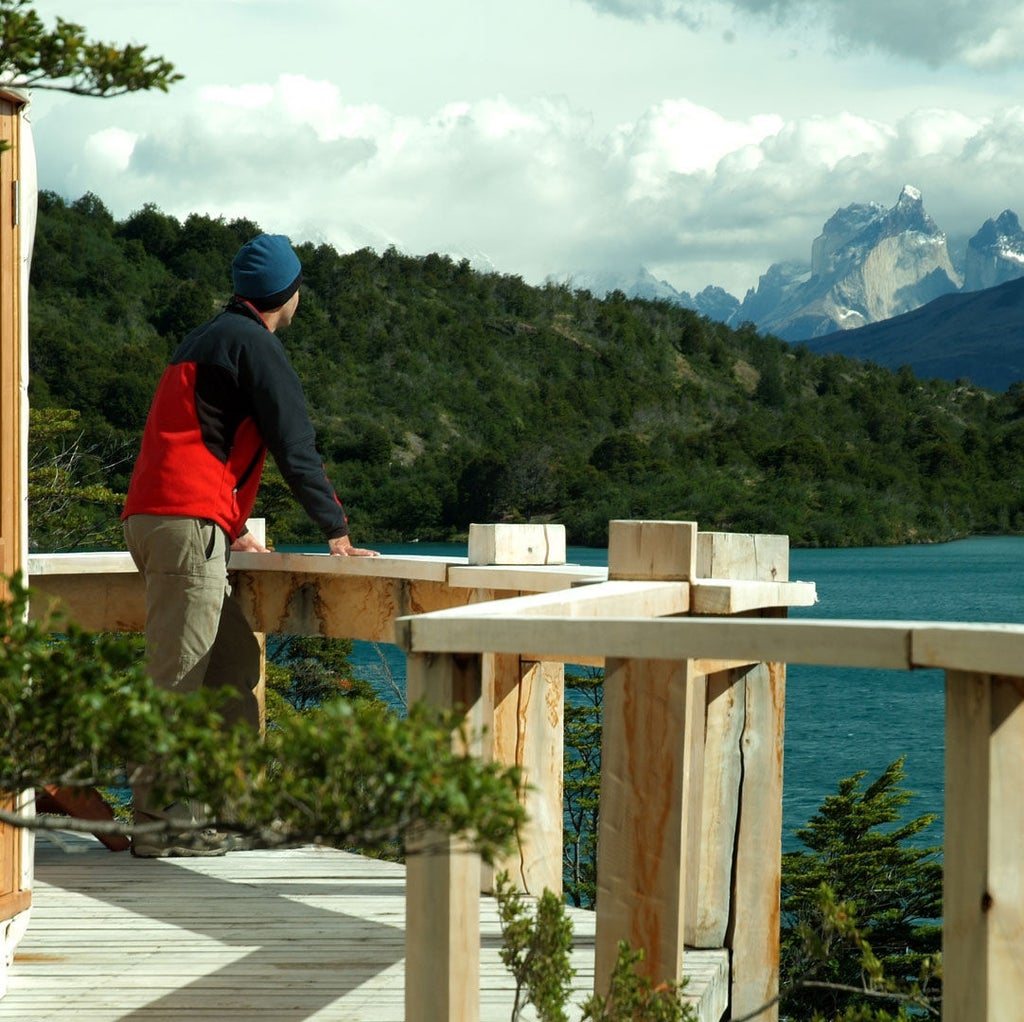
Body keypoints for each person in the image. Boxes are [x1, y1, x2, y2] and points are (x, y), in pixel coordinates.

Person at [122, 232, 378, 857]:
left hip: (160, 518)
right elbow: (295, 445)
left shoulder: (202, 339)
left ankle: (235, 811)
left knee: (235, 665)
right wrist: (336, 534)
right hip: (187, 526)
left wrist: (233, 526)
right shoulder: (255, 347)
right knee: (178, 679)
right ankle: (159, 824)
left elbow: (199, 440)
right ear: (289, 294)